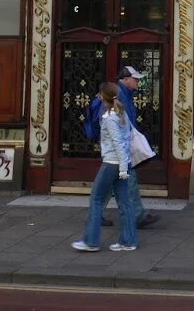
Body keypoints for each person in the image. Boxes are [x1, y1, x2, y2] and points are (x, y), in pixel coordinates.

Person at [85, 65, 160, 228]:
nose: (138, 82)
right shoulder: (119, 95)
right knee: (127, 180)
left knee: (108, 183)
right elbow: (115, 123)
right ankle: (137, 216)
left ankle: (96, 215)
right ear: (126, 80)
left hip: (115, 148)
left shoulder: (121, 94)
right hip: (117, 149)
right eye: (136, 79)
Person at [72, 82, 137, 252]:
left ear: (103, 97)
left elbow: (118, 142)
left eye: (99, 95)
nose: (98, 97)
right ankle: (128, 241)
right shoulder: (122, 113)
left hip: (112, 163)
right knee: (125, 203)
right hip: (123, 163)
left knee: (96, 199)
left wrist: (122, 167)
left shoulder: (109, 118)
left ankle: (91, 241)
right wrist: (125, 166)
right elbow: (128, 136)